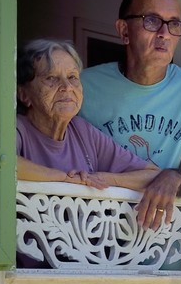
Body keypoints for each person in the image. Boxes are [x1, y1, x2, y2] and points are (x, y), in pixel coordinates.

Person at [80, 0, 181, 230]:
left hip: (161, 240)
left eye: (174, 24)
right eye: (152, 21)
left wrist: (172, 176)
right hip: (92, 231)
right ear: (124, 31)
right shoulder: (83, 86)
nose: (165, 34)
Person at [16, 39, 159, 199]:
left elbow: (152, 175)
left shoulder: (83, 131)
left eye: (72, 77)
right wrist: (64, 178)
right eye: (51, 78)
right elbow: (5, 162)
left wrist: (105, 178)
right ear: (24, 95)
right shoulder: (17, 128)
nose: (67, 87)